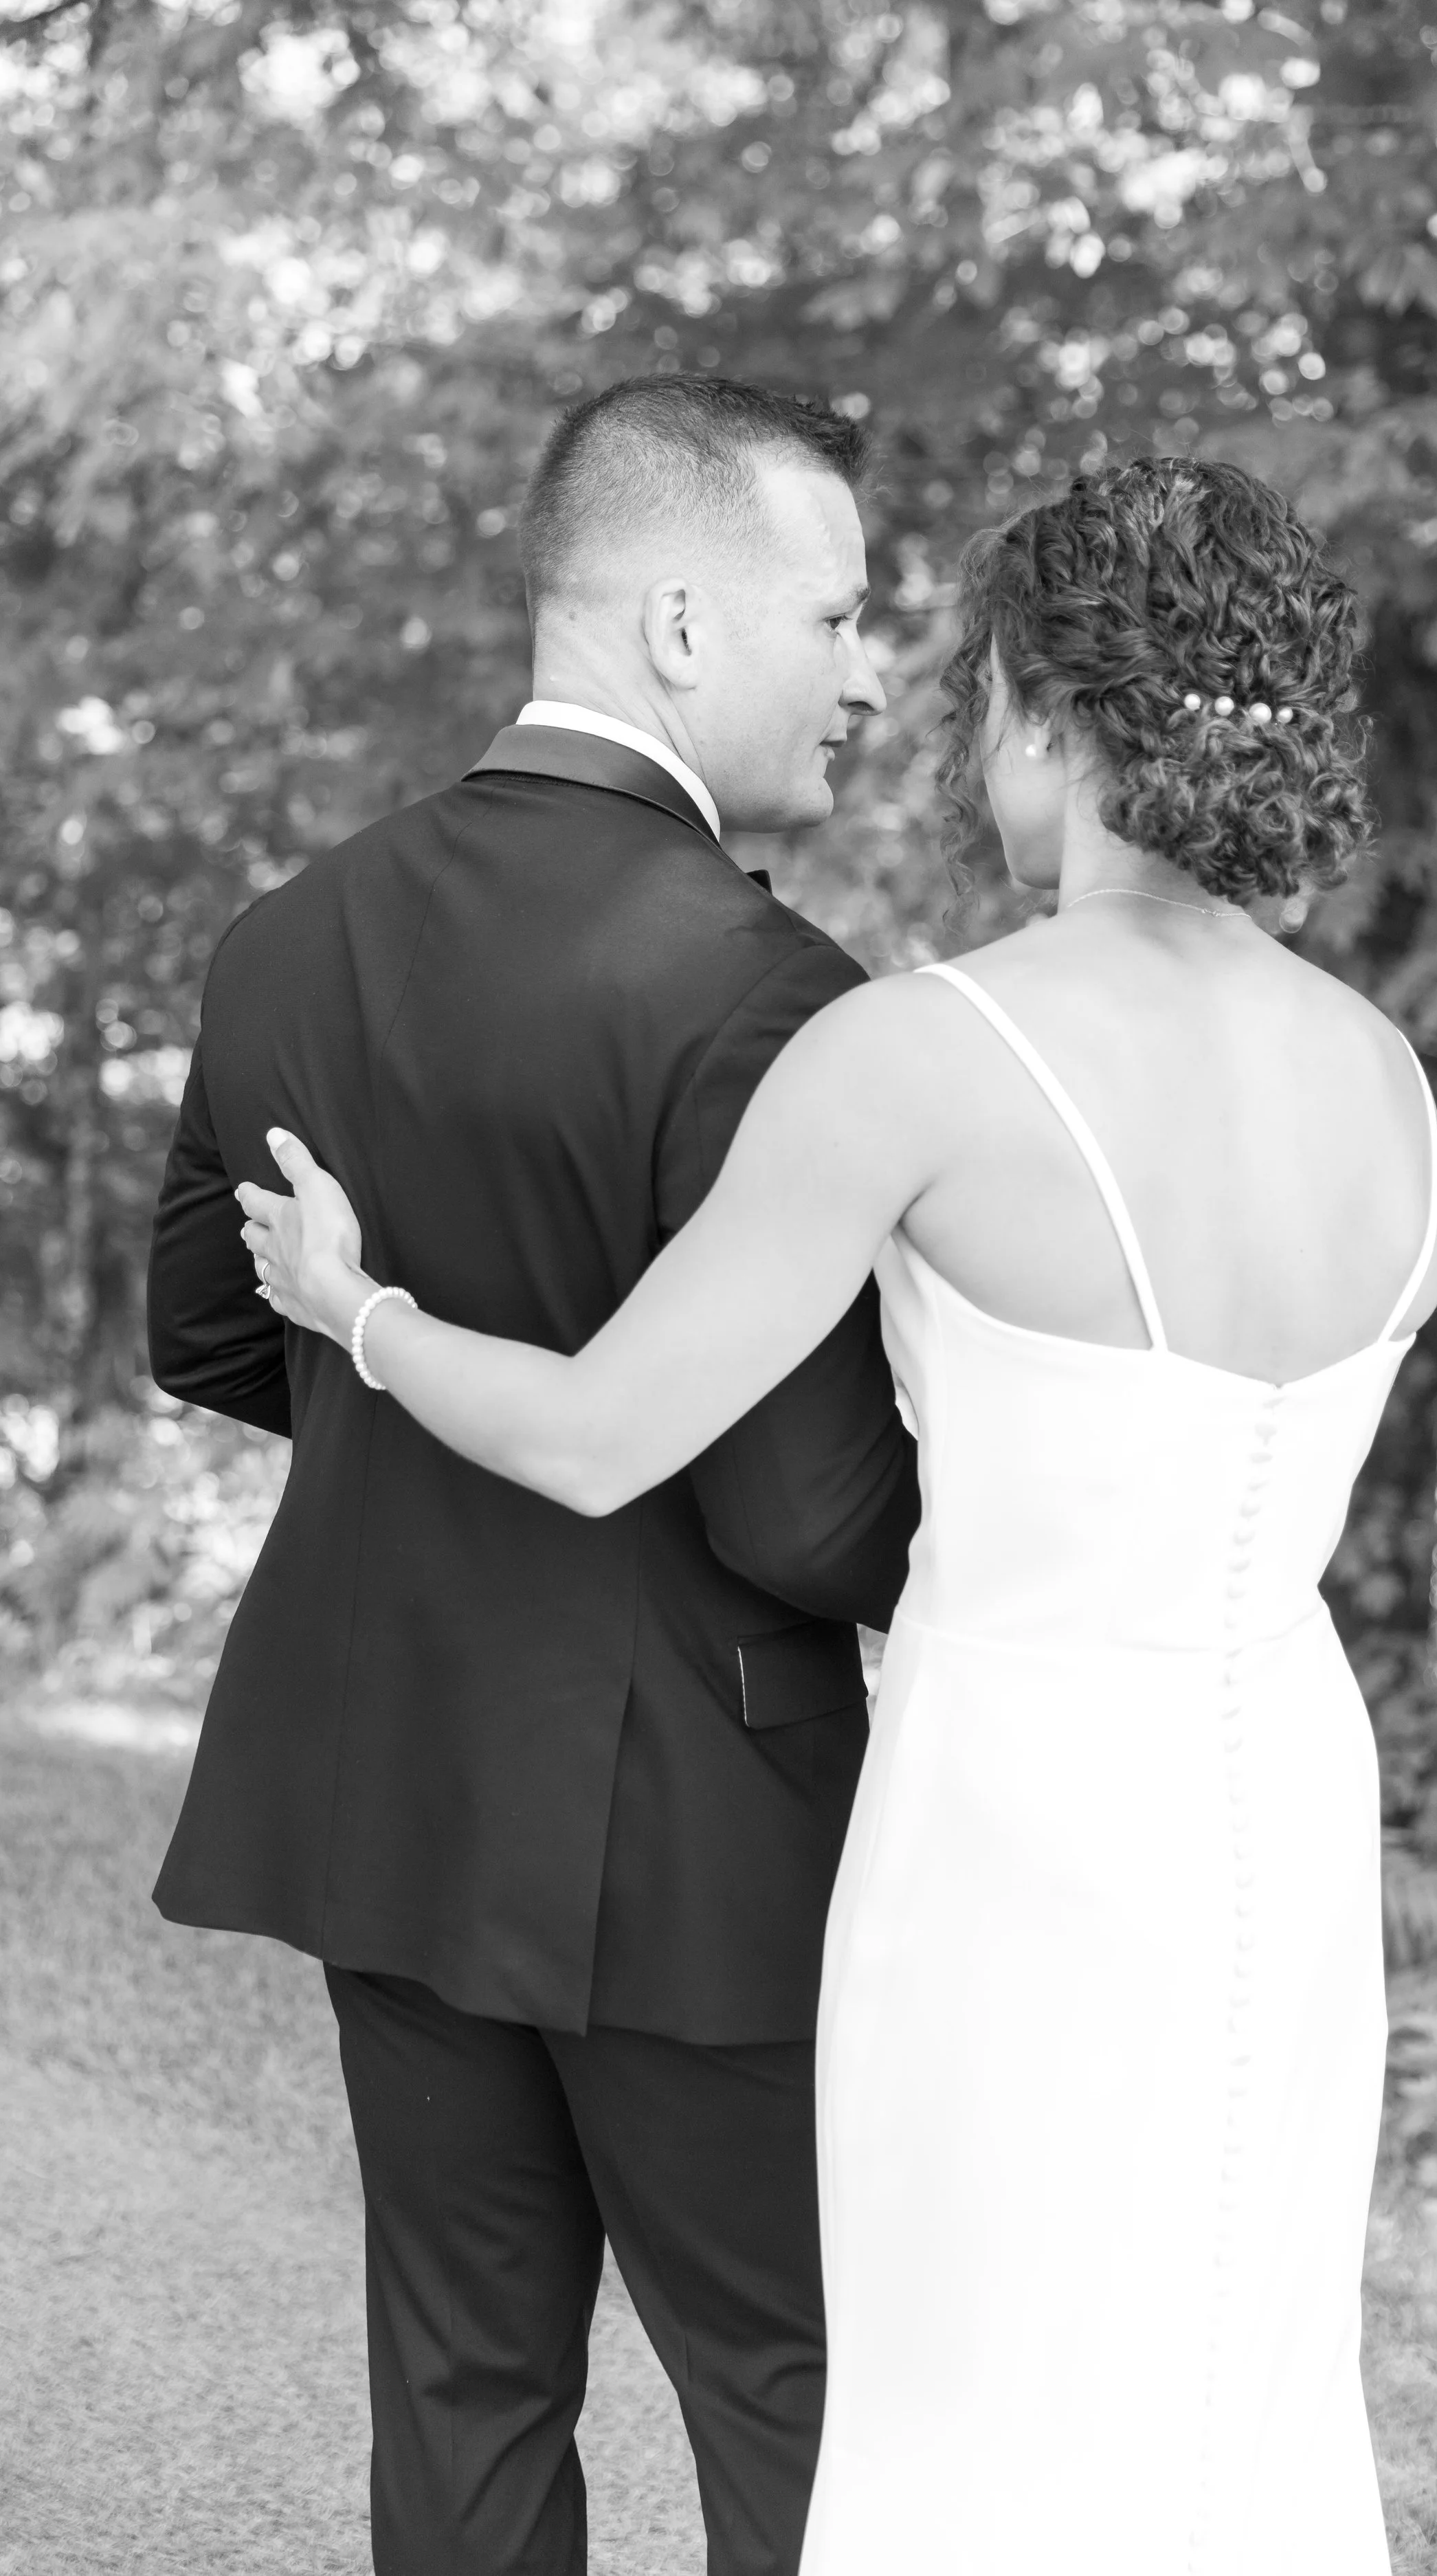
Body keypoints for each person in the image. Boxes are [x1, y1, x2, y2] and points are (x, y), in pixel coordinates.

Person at [240, 454, 1437, 2576]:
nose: (955, 736)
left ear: (1066, 723)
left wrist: (361, 1313)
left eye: (982, 697)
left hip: (1018, 1820)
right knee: (1222, 2402)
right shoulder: (1384, 1081)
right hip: (1276, 1782)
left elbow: (608, 1432)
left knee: (962, 2400)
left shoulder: (921, 1053)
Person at [146, 375, 920, 2576]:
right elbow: (793, 1509)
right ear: (684, 618)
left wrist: (415, 1388)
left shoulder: (284, 935)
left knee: (467, 2385)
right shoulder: (764, 991)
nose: (868, 672)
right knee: (800, 2392)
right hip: (701, 1819)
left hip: (388, 1766)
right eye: (841, 612)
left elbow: (211, 1325)